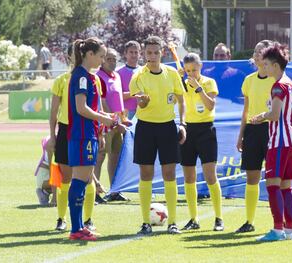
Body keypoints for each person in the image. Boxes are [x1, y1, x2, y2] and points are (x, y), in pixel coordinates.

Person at [129, 36, 186, 235]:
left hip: (168, 127)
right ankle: (145, 222)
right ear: (144, 54)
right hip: (145, 127)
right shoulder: (138, 76)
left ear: (162, 52)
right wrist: (142, 101)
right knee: (146, 174)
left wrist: (183, 123)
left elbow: (181, 100)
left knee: (169, 174)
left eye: (156, 52)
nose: (152, 56)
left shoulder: (172, 73)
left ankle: (173, 222)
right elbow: (140, 104)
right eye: (149, 53)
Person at [47, 44, 105, 232]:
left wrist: (104, 125)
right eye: (101, 56)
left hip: (87, 132)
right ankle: (70, 224)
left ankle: (84, 223)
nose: (102, 60)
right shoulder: (76, 77)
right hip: (76, 132)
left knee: (85, 178)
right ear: (87, 54)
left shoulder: (91, 78)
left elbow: (96, 107)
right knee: (74, 179)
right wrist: (52, 135)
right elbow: (78, 109)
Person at [251, 42, 292, 242]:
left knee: (273, 185)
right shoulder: (290, 83)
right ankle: (289, 231)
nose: (264, 68)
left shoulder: (278, 86)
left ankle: (277, 230)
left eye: (266, 65)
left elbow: (274, 114)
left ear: (275, 66)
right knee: (286, 187)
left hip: (280, 140)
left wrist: (261, 115)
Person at [178, 53, 224, 231]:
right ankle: (193, 219)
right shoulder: (182, 83)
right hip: (188, 130)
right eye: (188, 70)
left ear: (201, 67)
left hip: (206, 130)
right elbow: (178, 101)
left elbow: (210, 105)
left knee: (210, 175)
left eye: (194, 70)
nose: (191, 73)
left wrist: (198, 88)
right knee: (189, 176)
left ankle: (219, 218)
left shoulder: (208, 82)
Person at [235, 40, 275, 233]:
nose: (258, 54)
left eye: (262, 51)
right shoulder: (249, 80)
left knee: (273, 178)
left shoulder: (277, 79)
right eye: (256, 51)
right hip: (252, 131)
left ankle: (278, 224)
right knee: (251, 177)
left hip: (271, 130)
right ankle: (249, 222)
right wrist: (241, 134)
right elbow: (246, 110)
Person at [95, 48, 129, 202]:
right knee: (100, 157)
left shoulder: (116, 76)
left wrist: (122, 119)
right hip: (105, 124)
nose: (112, 62)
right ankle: (95, 191)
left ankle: (114, 190)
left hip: (116, 123)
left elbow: (119, 100)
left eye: (115, 59)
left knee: (115, 157)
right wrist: (114, 122)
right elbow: (102, 103)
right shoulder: (99, 77)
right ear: (102, 60)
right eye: (109, 59)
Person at [117, 41, 141, 120]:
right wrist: (135, 93)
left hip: (143, 113)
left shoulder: (145, 71)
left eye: (136, 52)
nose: (134, 55)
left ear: (139, 54)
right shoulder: (118, 73)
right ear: (125, 54)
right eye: (131, 52)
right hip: (125, 113)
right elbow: (117, 96)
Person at [35, 136, 56, 206]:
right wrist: (54, 198)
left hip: (48, 174)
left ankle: (46, 192)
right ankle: (44, 191)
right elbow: (52, 170)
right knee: (64, 180)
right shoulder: (52, 142)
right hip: (44, 177)